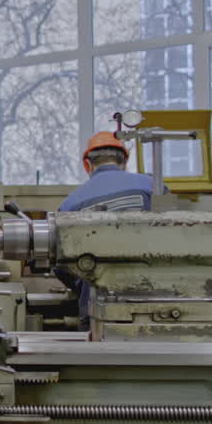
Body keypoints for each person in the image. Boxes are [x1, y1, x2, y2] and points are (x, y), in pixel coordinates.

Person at [56, 131, 155, 330]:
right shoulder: (153, 186)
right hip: (154, 298)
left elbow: (61, 264)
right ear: (124, 161)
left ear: (88, 165)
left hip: (97, 305)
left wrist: (82, 283)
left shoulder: (71, 203)